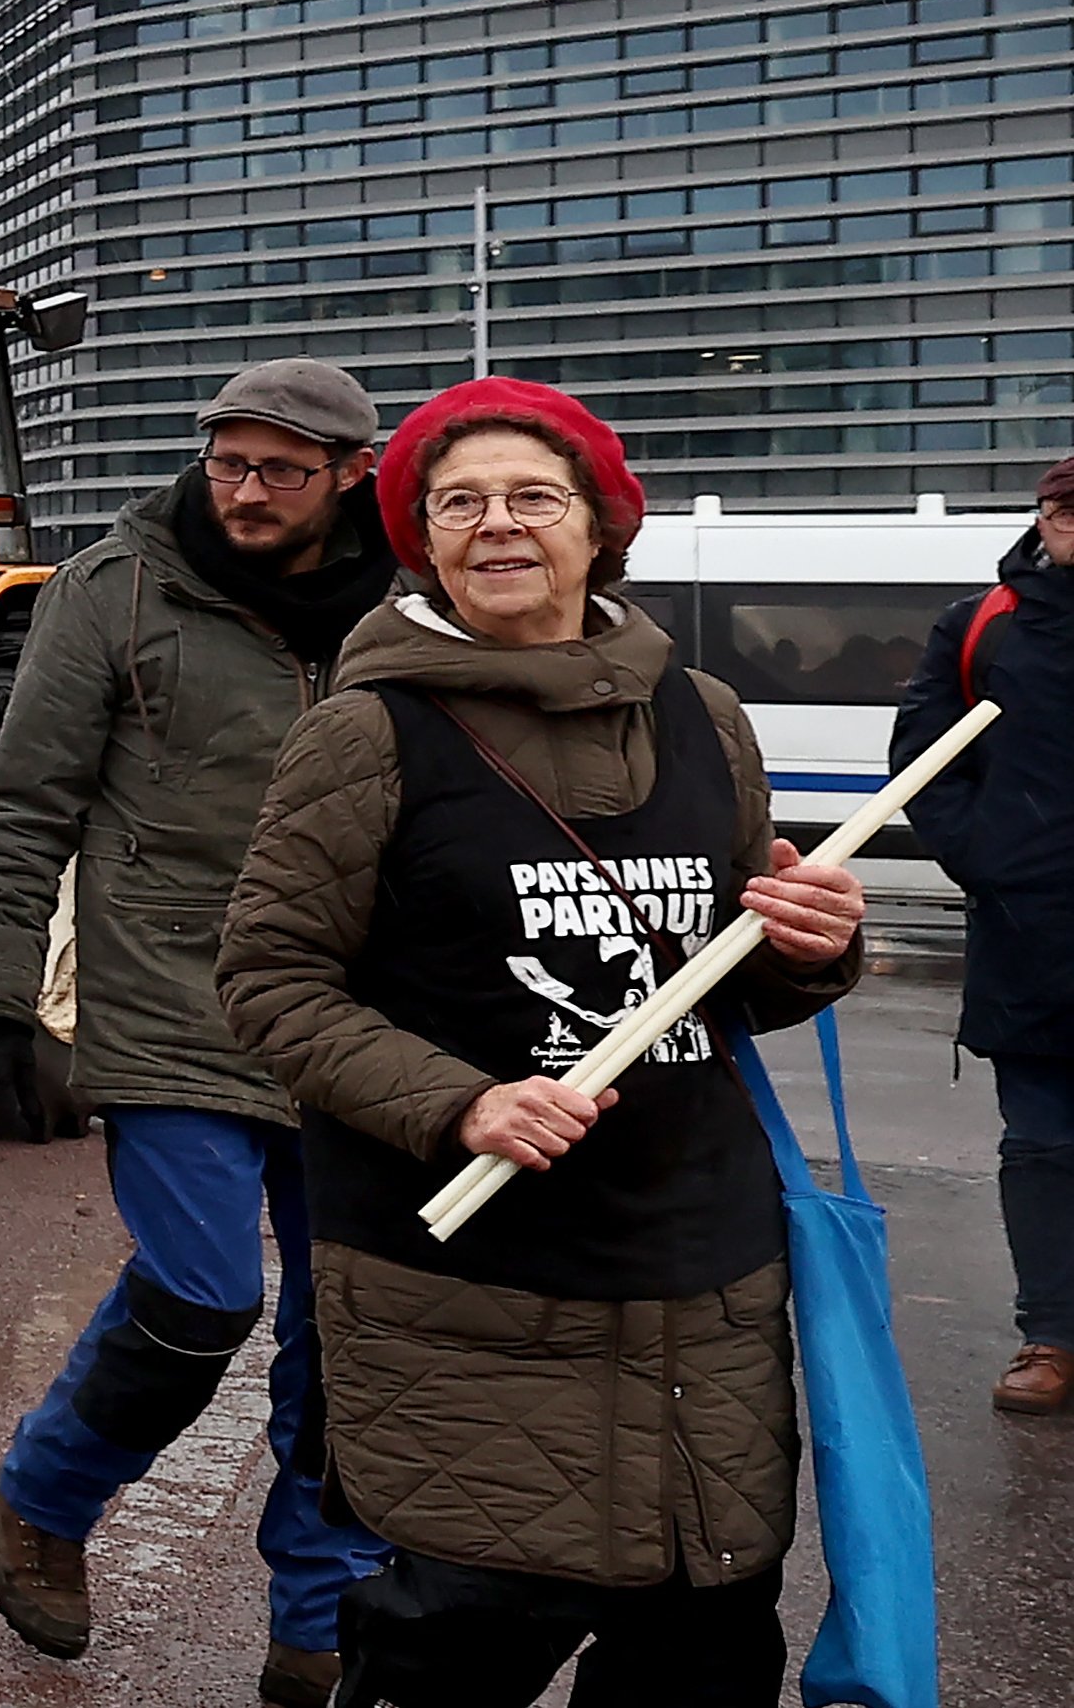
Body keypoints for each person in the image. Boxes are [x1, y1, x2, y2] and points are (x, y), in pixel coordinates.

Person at [215, 378, 869, 1706]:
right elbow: (271, 978)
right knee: (457, 1640)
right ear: (421, 538)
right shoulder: (365, 732)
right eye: (459, 502)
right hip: (469, 1286)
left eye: (533, 496)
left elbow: (737, 977)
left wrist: (816, 940)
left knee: (706, 1639)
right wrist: (460, 1102)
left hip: (707, 1275)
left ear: (597, 526)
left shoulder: (706, 717)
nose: (497, 524)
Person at [0, 360, 396, 1707]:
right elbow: (23, 807)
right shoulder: (115, 588)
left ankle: (320, 1619)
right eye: (226, 464)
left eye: (279, 471)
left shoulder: (404, 604)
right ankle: (41, 1492)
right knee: (204, 1295)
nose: (245, 492)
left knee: (352, 1326)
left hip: (361, 1020)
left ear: (350, 476)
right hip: (172, 997)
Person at [895, 450, 1074, 1414]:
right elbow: (923, 759)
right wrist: (991, 859)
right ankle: (1052, 1336)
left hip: (1026, 923)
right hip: (1031, 937)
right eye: (1062, 502)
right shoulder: (982, 627)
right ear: (1040, 514)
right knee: (1040, 1146)